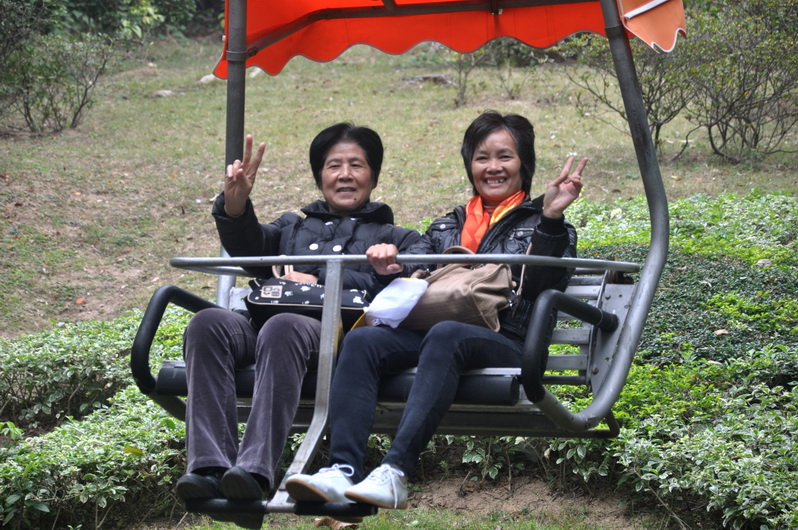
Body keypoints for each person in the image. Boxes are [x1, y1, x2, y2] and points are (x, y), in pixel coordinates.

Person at [286, 110, 586, 510]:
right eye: (482, 158)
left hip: (507, 340)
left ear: (524, 164)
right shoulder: (448, 226)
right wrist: (390, 266)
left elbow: (542, 286)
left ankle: (395, 471)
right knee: (363, 341)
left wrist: (550, 218)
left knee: (447, 334)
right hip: (435, 338)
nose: (493, 167)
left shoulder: (546, 224)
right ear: (469, 165)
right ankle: (341, 470)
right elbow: (414, 271)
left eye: (505, 157)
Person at [174, 123, 421, 520]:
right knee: (207, 324)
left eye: (356, 165)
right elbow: (250, 249)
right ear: (320, 176)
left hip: (330, 333)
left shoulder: (395, 237)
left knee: (284, 326)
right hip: (263, 324)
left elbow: (406, 284)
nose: (345, 175)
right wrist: (235, 206)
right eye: (334, 166)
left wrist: (320, 279)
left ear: (373, 176)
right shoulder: (292, 227)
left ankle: (254, 472)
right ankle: (209, 467)